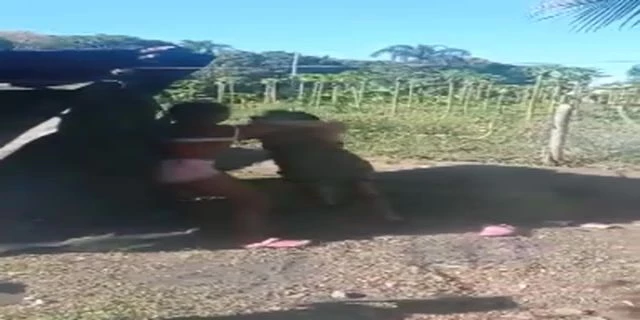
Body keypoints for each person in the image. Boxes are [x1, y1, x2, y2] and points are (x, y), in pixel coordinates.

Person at [156, 101, 345, 249]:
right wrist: (316, 126)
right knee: (253, 200)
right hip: (195, 171)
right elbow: (265, 129)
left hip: (164, 170)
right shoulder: (217, 130)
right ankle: (252, 238)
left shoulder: (169, 129)